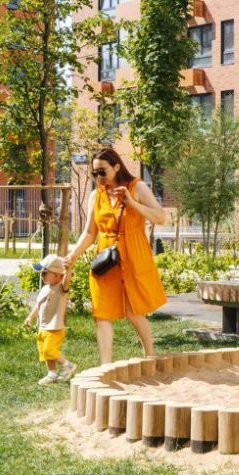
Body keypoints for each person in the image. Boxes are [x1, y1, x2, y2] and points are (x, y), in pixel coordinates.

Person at [64, 147, 168, 364]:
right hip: (106, 258)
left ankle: (150, 356)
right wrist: (72, 255)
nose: (98, 177)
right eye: (95, 173)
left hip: (133, 254)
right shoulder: (96, 195)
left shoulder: (137, 187)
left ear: (117, 166)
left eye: (102, 171)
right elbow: (89, 232)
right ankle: (105, 366)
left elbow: (160, 217)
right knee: (101, 313)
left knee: (133, 311)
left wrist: (132, 203)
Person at [24, 254, 77, 385]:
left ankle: (68, 365)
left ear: (58, 275)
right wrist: (30, 317)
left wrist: (68, 270)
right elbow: (38, 305)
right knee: (45, 352)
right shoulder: (45, 288)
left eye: (44, 273)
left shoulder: (61, 288)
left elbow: (67, 281)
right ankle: (52, 374)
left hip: (55, 328)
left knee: (49, 350)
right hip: (43, 327)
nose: (41, 275)